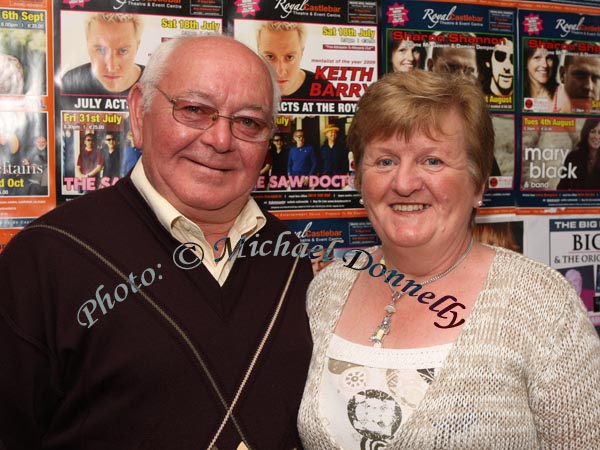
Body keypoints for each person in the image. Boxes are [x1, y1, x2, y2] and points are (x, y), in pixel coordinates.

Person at [0, 35, 313, 449]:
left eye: (248, 122)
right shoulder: (45, 258)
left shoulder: (290, 256)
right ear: (138, 112)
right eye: (194, 110)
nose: (221, 140)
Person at [298, 70, 600, 448]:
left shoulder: (542, 304)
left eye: (433, 161)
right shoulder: (327, 289)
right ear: (359, 178)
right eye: (386, 161)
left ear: (478, 184)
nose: (405, 183)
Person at [61, 13, 144, 95]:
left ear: (137, 47)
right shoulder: (70, 83)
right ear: (87, 43)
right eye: (100, 50)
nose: (111, 68)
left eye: (123, 51)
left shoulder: (154, 83)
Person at [256, 21, 336, 99]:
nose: (279, 71)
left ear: (302, 53)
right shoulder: (247, 89)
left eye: (289, 57)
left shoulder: (325, 92)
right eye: (270, 57)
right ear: (258, 52)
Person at [557, 118, 600, 190]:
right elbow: (562, 188)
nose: (596, 137)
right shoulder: (573, 157)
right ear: (586, 133)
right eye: (592, 132)